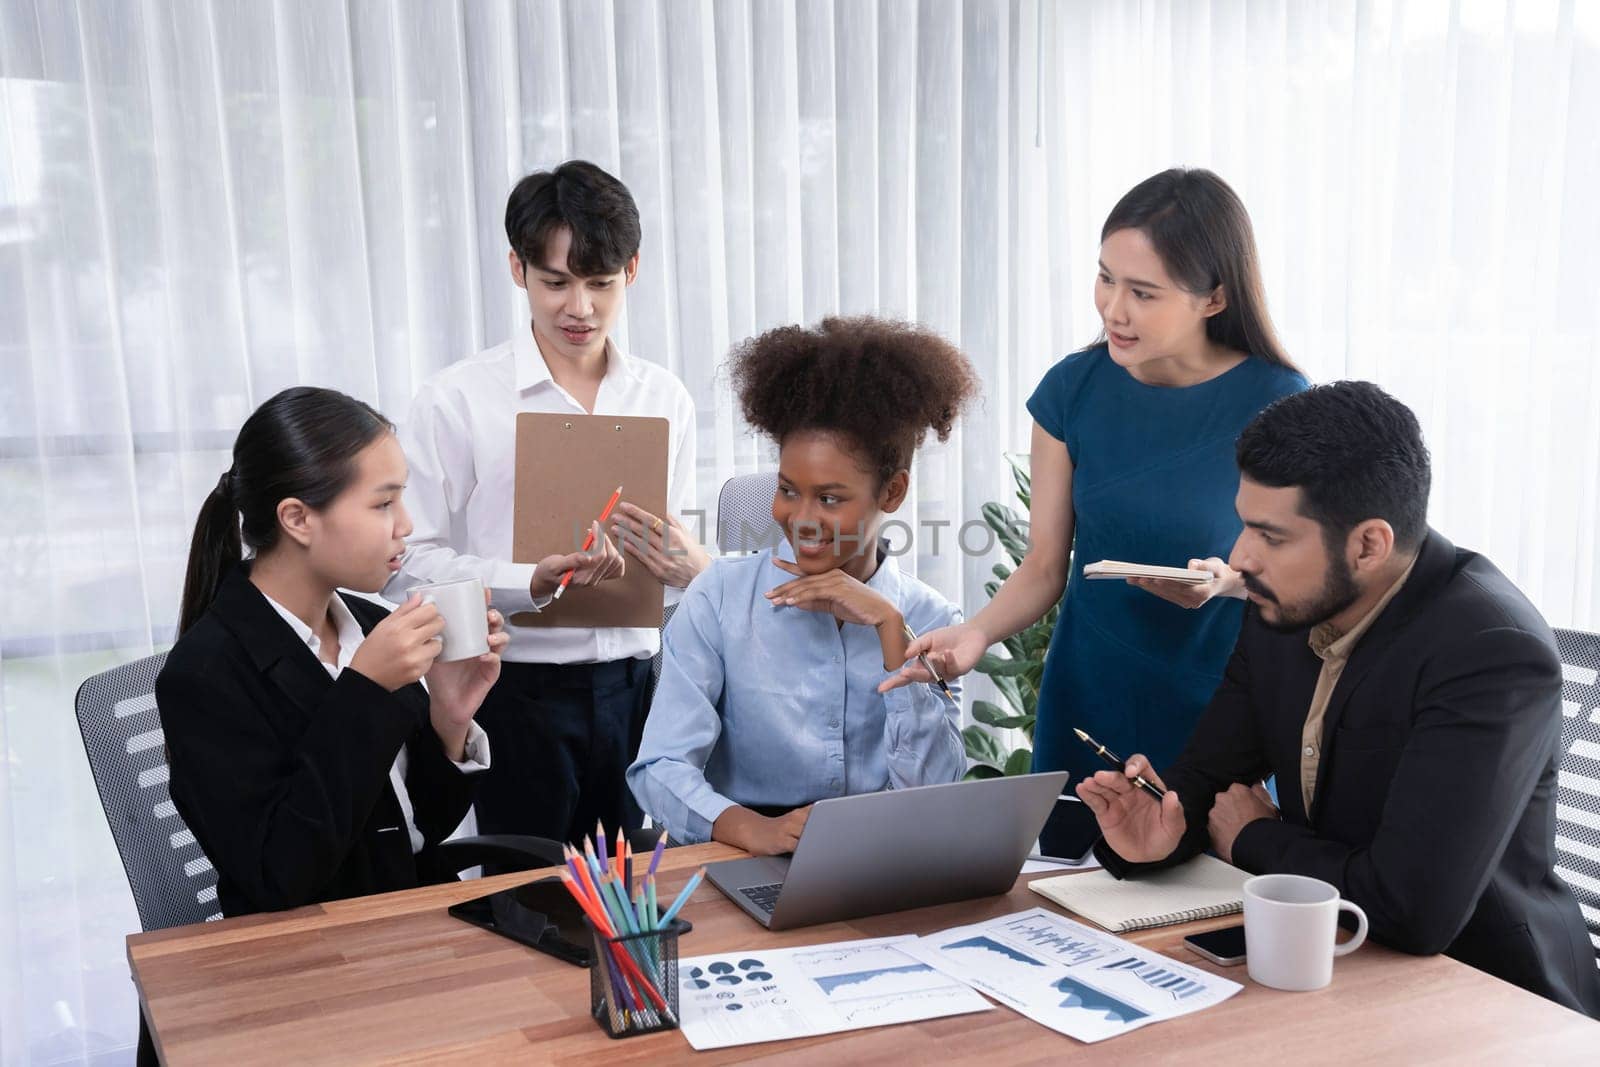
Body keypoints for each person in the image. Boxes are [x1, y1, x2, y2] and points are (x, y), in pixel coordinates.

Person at [1077, 381, 1600, 1017]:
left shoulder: (1491, 650)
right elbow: (1211, 785)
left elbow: (1412, 910)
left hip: (1490, 995)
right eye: (1244, 524)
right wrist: (1163, 832)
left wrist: (1253, 841)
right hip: (1333, 963)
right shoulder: (1284, 606)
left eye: (1271, 536)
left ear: (1368, 544)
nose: (1241, 557)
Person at [888, 168, 1309, 801]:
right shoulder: (1072, 391)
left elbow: (1308, 575)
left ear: (1215, 298)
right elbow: (1044, 565)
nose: (1114, 308)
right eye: (1106, 278)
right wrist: (975, 632)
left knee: (1211, 891)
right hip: (1088, 694)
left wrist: (1224, 583)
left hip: (1222, 700)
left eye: (1143, 292)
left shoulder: (1277, 402)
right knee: (1064, 889)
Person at [385, 160, 706, 844]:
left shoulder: (665, 398)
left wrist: (690, 565)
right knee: (527, 905)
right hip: (514, 692)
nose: (579, 308)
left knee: (635, 898)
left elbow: (672, 567)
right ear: (517, 269)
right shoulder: (458, 398)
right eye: (556, 282)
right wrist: (521, 583)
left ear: (634, 270)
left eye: (600, 282)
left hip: (637, 692)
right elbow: (404, 560)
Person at [627, 316, 979, 854]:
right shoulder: (720, 597)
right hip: (744, 851)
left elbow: (932, 794)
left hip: (881, 862)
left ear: (893, 492)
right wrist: (754, 830)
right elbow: (659, 769)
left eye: (831, 499)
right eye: (789, 491)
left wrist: (890, 627)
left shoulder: (929, 618)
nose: (803, 518)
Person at [157, 387, 509, 919]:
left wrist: (449, 719)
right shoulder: (204, 675)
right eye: (383, 502)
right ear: (298, 519)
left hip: (410, 926)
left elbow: (416, 829)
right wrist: (365, 692)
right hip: (310, 957)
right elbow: (281, 877)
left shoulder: (369, 625)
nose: (406, 525)